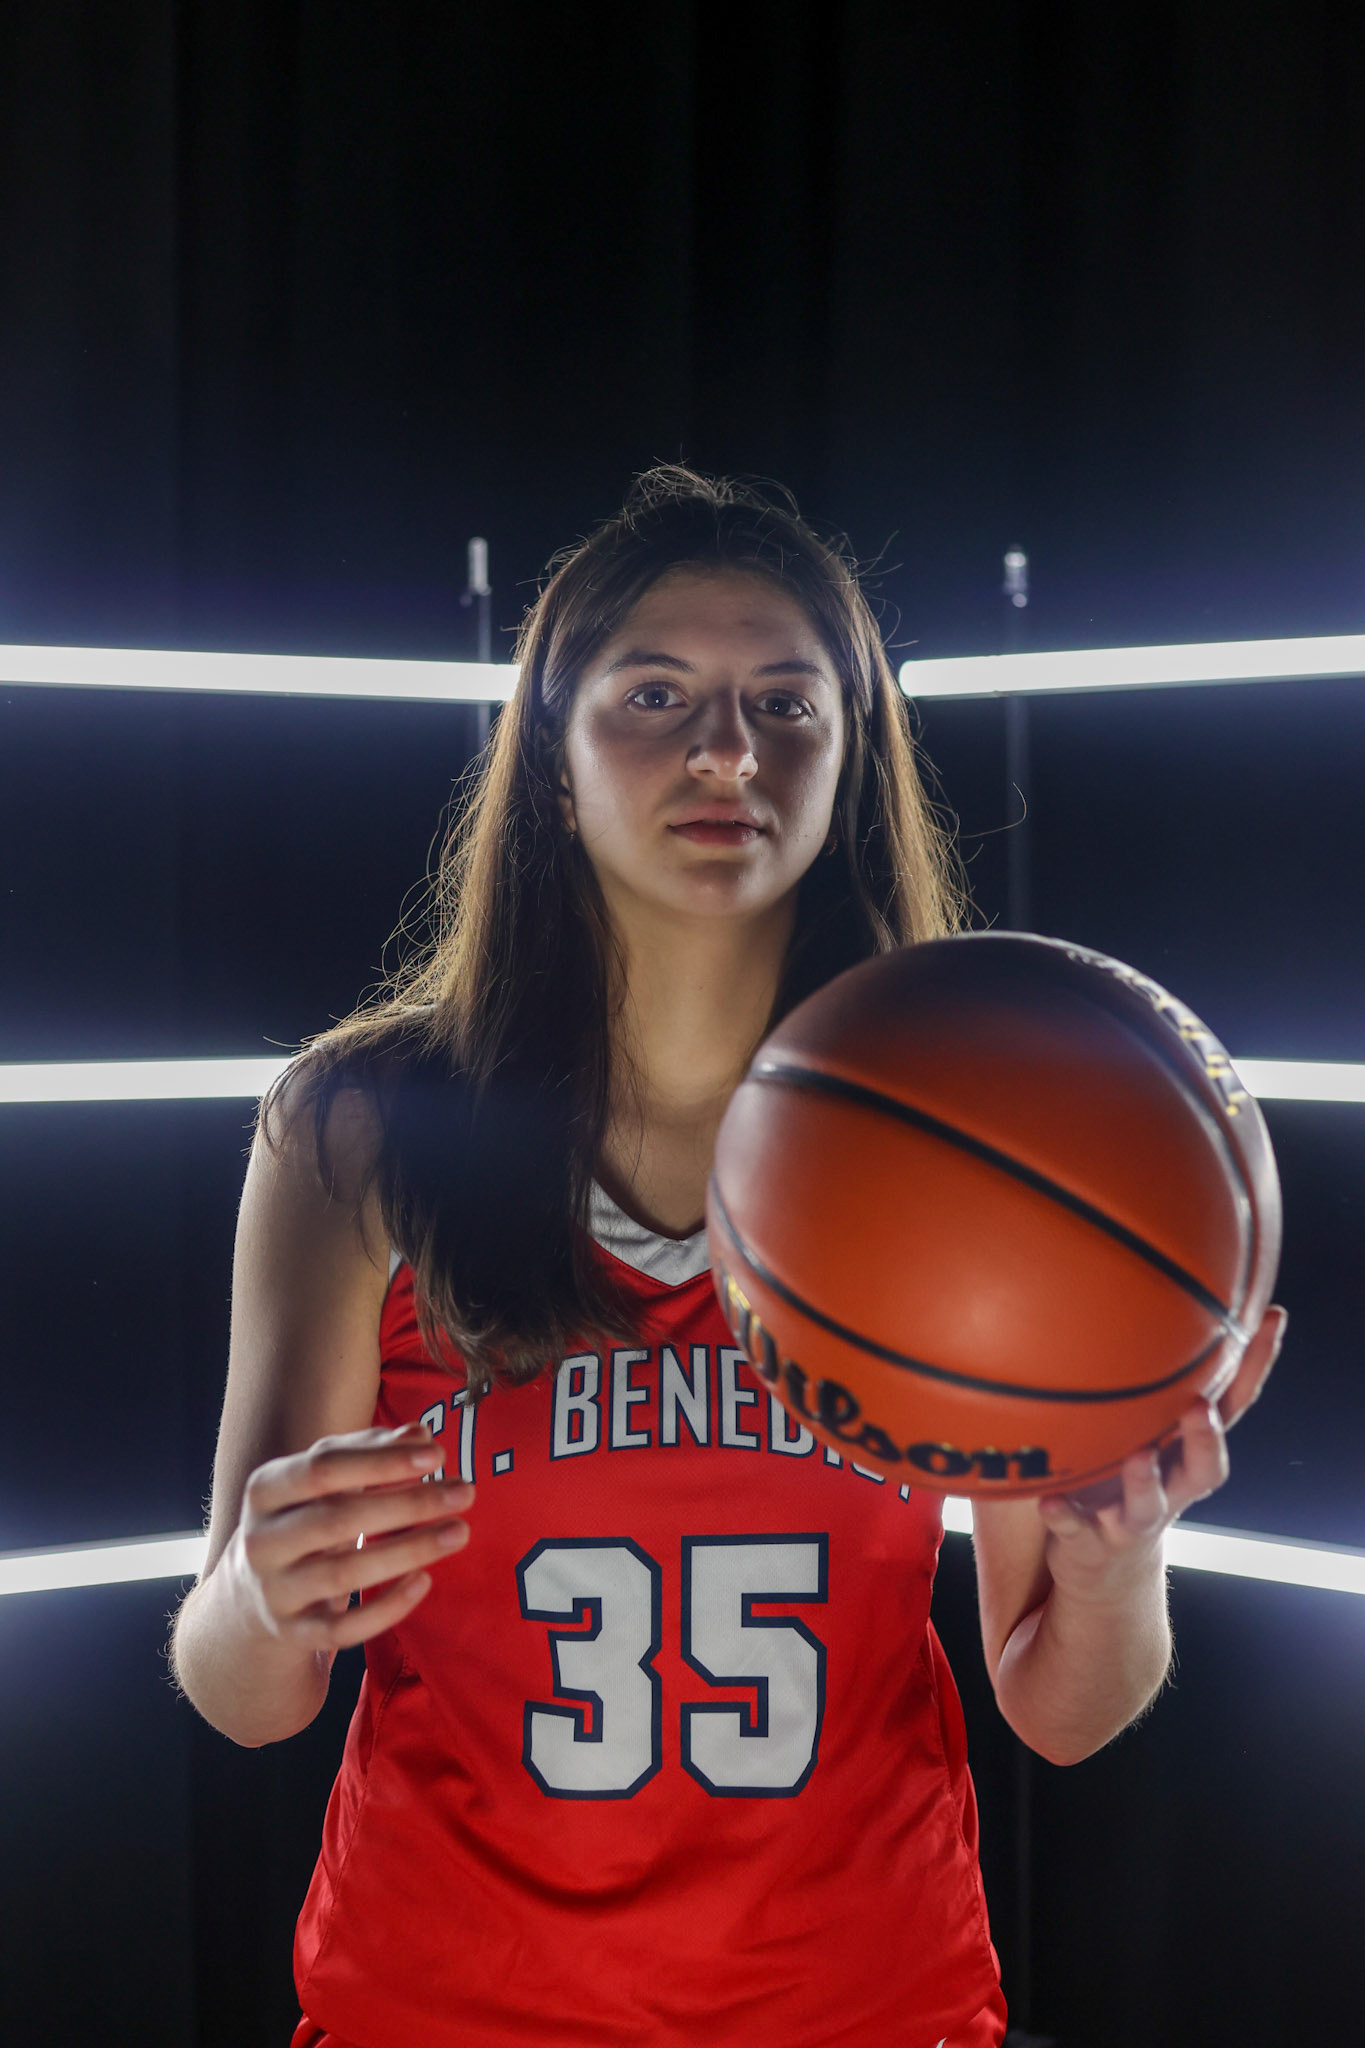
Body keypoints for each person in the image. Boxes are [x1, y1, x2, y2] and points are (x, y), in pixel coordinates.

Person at [169, 466, 1287, 2048]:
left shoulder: (976, 1127)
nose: (725, 751)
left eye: (784, 702)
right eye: (653, 695)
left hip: (862, 2008)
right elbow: (244, 1695)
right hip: (446, 2009)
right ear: (551, 762)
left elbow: (1059, 1710)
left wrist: (1114, 1565)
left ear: (850, 760)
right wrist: (260, 1601)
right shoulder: (362, 1126)